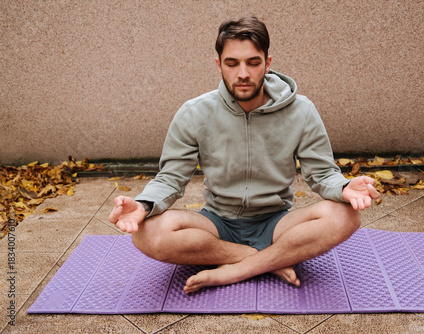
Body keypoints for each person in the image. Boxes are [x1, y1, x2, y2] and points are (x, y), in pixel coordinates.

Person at [109, 16, 379, 294]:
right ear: (218, 65)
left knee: (346, 217)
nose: (243, 73)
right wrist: (143, 204)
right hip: (216, 222)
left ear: (268, 62)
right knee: (146, 234)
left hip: (277, 223)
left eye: (253, 62)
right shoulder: (194, 113)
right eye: (232, 63)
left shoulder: (302, 110)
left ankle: (236, 270)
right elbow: (170, 178)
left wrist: (345, 187)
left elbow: (322, 173)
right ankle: (262, 260)